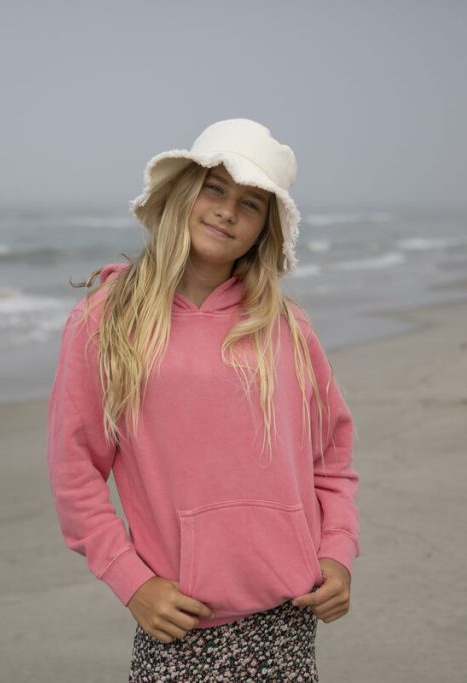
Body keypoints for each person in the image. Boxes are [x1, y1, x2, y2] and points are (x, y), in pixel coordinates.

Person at [46, 118, 359, 681]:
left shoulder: (287, 328)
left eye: (251, 204)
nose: (227, 211)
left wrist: (336, 552)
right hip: (181, 622)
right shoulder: (107, 321)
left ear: (265, 229)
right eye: (215, 188)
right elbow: (75, 470)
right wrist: (131, 581)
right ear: (184, 193)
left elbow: (331, 459)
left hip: (289, 615)